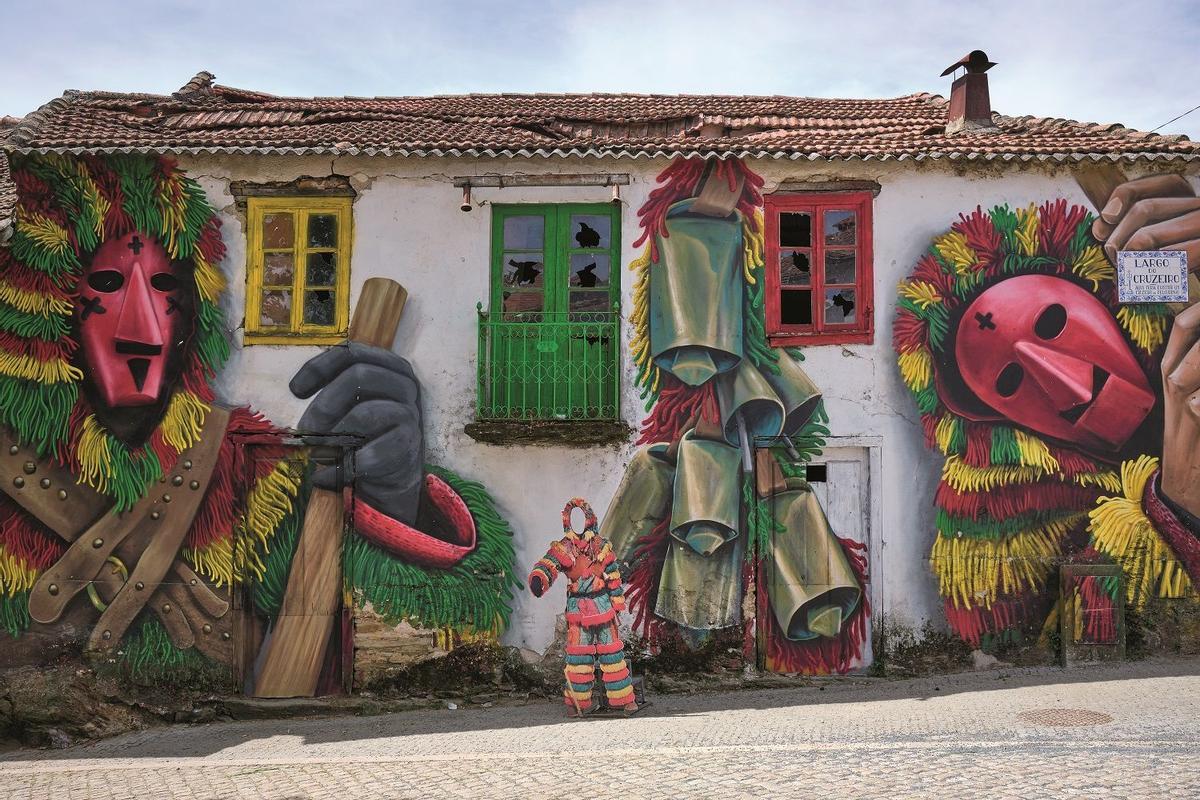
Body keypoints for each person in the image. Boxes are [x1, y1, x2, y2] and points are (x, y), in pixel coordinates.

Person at [894, 185, 1200, 647]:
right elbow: (1057, 646)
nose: (1075, 388)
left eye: (1052, 323)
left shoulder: (1174, 313)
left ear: (1101, 297)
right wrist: (1175, 516)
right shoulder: (997, 519)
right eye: (1010, 381)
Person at [529, 498, 638, 716]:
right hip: (577, 610)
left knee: (611, 655)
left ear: (589, 519)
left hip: (602, 608)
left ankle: (623, 700)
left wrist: (617, 601)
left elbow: (613, 575)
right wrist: (540, 578)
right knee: (578, 658)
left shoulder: (601, 546)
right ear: (568, 520)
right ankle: (578, 703)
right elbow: (548, 564)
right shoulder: (564, 547)